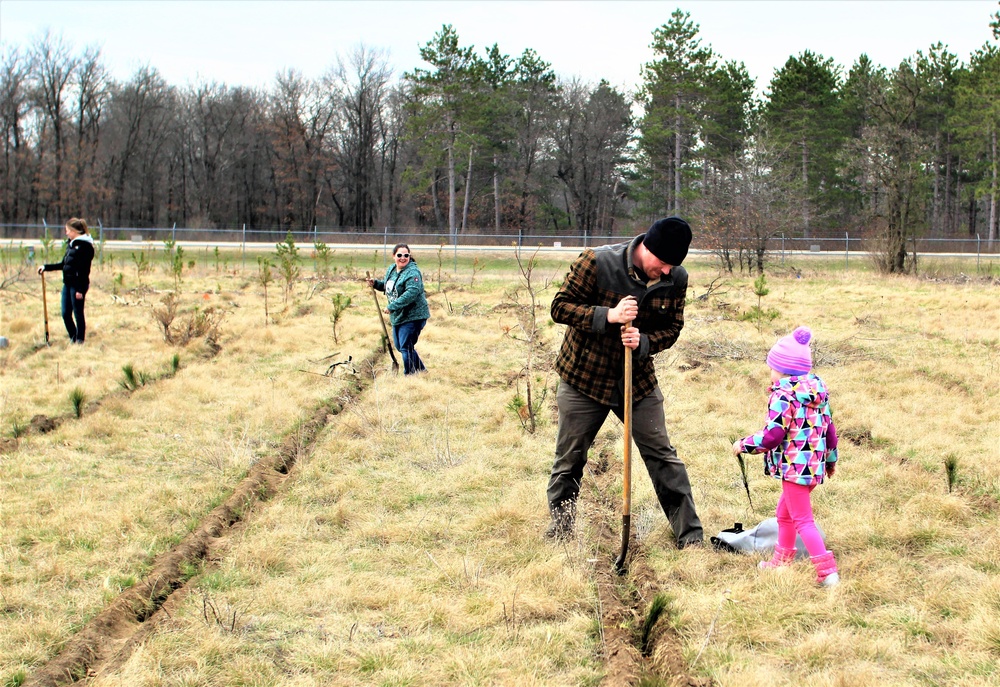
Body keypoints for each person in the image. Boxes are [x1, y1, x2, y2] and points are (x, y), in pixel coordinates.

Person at [545, 217, 704, 549]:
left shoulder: (676, 277)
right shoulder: (597, 262)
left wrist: (643, 341)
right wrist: (609, 316)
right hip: (584, 379)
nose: (666, 272)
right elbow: (560, 308)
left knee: (663, 457)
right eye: (662, 263)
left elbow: (673, 328)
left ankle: (690, 538)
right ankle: (560, 534)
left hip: (637, 383)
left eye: (673, 266)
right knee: (569, 458)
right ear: (647, 248)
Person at [732, 326, 840, 587]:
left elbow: (773, 436)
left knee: (803, 520)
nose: (770, 372)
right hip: (813, 467)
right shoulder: (817, 392)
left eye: (772, 367)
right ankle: (781, 563)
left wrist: (744, 445)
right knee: (784, 514)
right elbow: (830, 430)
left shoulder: (783, 395)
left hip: (795, 469)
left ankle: (827, 573)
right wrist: (830, 460)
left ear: (782, 369)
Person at [365, 243, 430, 375]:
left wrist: (392, 306)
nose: (403, 258)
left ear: (409, 256)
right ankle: (421, 370)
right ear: (394, 256)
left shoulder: (413, 273)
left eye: (406, 255)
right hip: (399, 316)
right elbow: (389, 287)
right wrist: (376, 283)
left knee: (405, 346)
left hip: (414, 315)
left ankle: (410, 375)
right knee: (401, 346)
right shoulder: (392, 270)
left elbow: (411, 293)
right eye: (399, 255)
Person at [37, 217, 95, 345]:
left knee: (78, 313)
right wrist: (46, 267)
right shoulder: (71, 245)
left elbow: (85, 271)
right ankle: (73, 337)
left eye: (68, 230)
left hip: (78, 285)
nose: (66, 233)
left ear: (75, 231)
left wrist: (80, 289)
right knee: (65, 313)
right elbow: (63, 264)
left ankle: (80, 341)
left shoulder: (86, 247)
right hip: (67, 284)